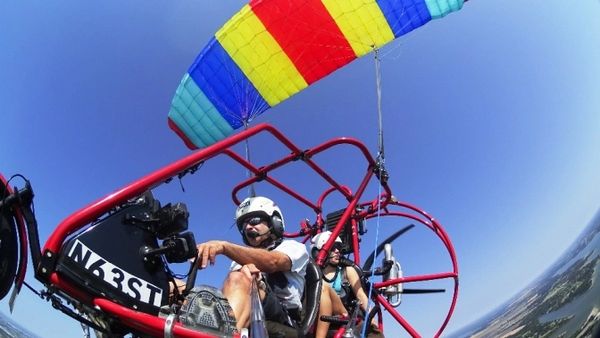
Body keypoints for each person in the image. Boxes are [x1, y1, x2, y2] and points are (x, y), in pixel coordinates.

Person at [193, 196, 309, 332]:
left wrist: (224, 247)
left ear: (275, 222)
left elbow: (273, 262)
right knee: (183, 290)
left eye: (254, 221)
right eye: (244, 225)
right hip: (250, 311)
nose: (248, 227)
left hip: (283, 317)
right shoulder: (239, 259)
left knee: (238, 278)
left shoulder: (293, 247)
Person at [311, 231, 383, 338]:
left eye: (339, 247)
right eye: (333, 247)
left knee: (323, 289)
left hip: (344, 316)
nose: (337, 251)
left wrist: (372, 319)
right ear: (318, 252)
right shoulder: (315, 276)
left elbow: (361, 296)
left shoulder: (347, 271)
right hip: (322, 322)